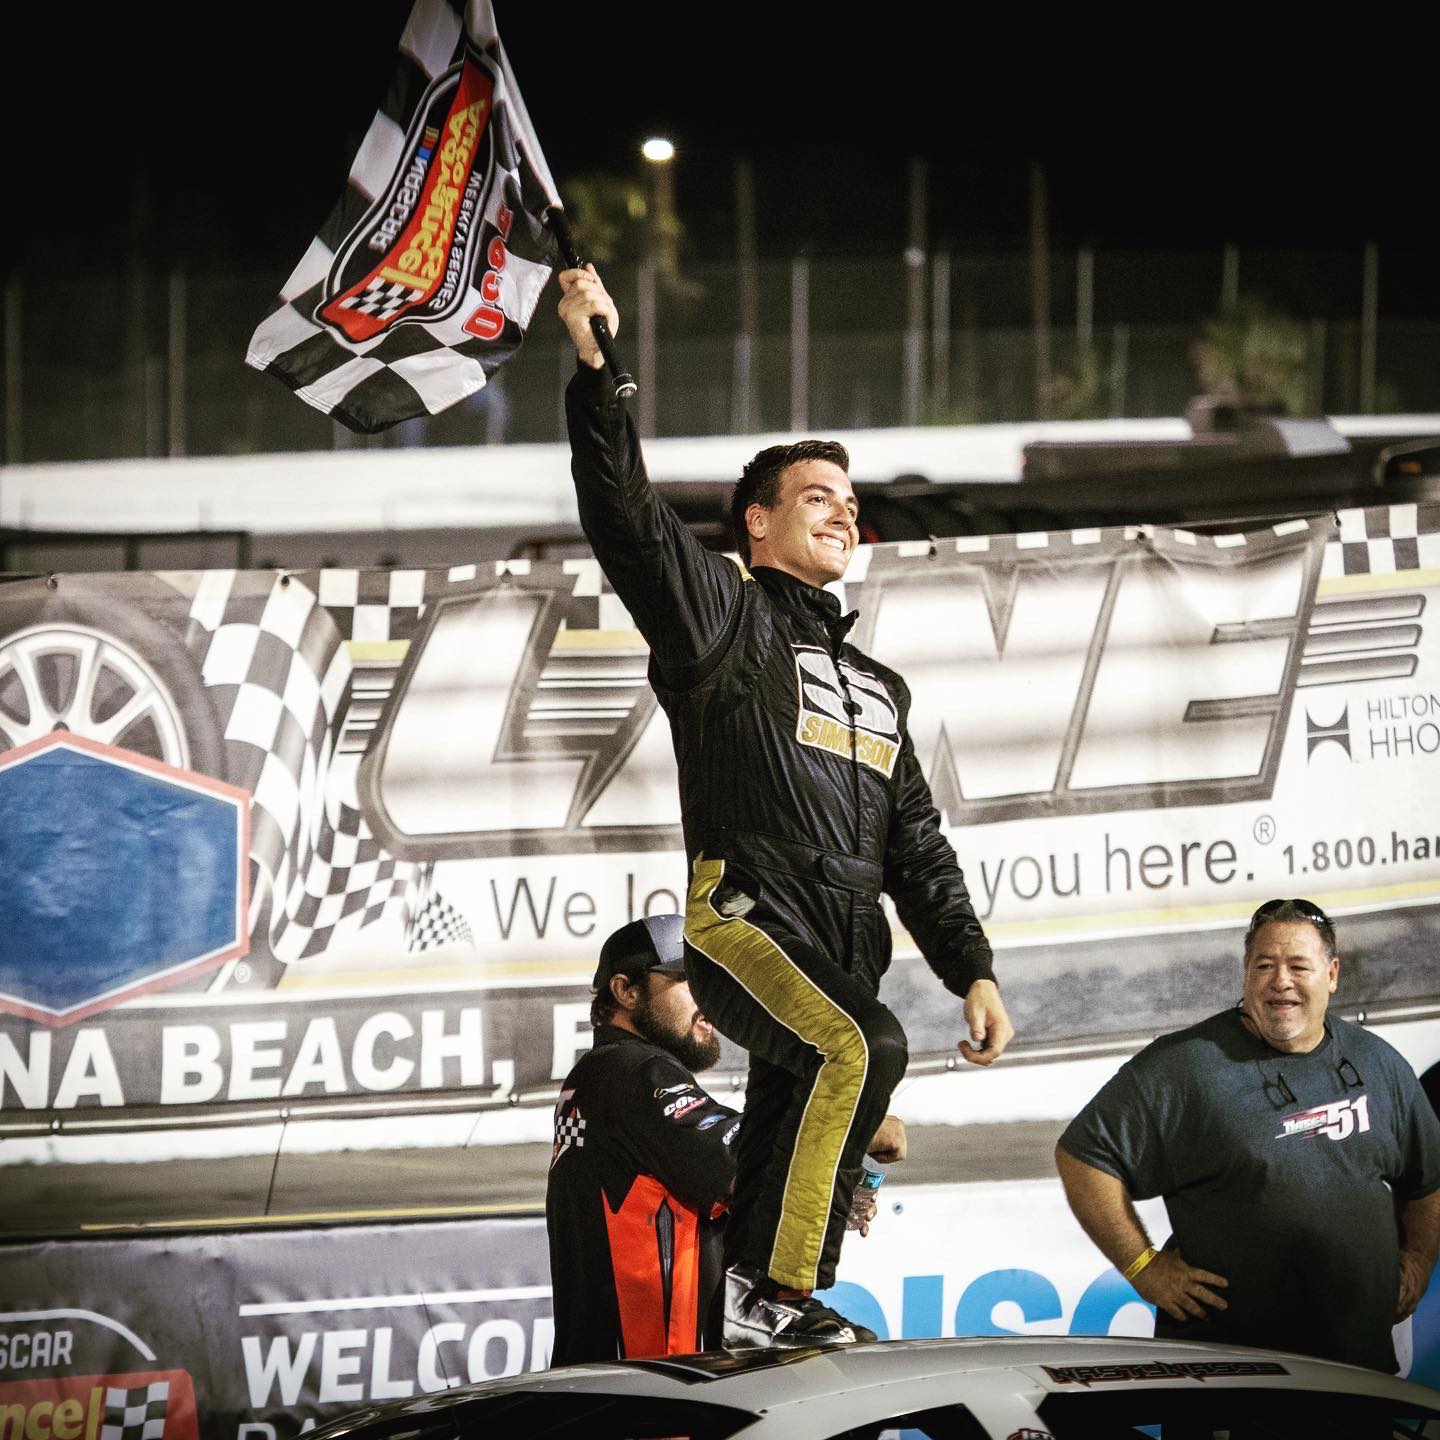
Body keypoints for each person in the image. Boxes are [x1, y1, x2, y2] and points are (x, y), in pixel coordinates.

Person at [558, 266, 1012, 1349]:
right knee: (862, 1047)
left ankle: (768, 1300)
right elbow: (627, 521)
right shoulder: (724, 615)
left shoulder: (881, 687)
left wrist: (973, 966)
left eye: (851, 505)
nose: (844, 513)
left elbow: (919, 848)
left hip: (842, 936)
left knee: (814, 1081)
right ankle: (776, 1285)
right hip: (746, 912)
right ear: (755, 524)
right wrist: (597, 372)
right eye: (819, 497)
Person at [1056, 898, 1440, 1373]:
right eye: (1264, 965)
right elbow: (1082, 1157)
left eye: (1299, 965)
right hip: (1231, 1380)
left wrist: (1419, 1260)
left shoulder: (1378, 1063)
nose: (1281, 981)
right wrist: (1144, 1267)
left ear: (1333, 974)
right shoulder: (1184, 1065)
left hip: (1355, 1375)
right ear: (1245, 973)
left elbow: (1427, 1180)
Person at [546, 914, 906, 1364]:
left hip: (623, 1384)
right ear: (626, 991)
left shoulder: (605, 1080)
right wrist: (856, 1126)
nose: (712, 1002)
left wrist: (841, 1176)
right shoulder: (631, 1071)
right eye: (688, 980)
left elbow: (748, 1194)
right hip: (656, 1391)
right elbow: (749, 1166)